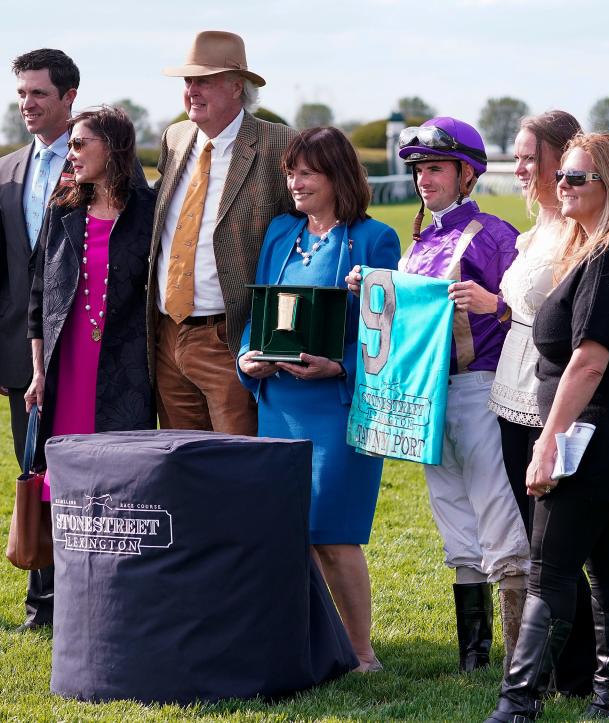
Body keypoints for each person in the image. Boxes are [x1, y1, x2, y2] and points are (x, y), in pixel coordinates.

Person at [485, 133, 609, 722]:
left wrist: (547, 441)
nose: (561, 185)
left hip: (596, 428)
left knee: (551, 564)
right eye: (562, 175)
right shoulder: (605, 250)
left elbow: (589, 360)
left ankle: (518, 706)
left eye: (575, 178)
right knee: (608, 560)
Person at [349, 116, 528, 672]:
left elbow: (530, 311)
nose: (425, 179)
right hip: (427, 392)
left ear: (467, 175)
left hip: (479, 388)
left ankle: (522, 656)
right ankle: (474, 657)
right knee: (451, 512)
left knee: (495, 509)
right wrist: (371, 289)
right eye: (421, 169)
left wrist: (494, 304)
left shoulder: (496, 234)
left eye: (437, 169)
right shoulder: (420, 240)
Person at [238, 128, 401, 672]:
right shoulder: (281, 232)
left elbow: (388, 335)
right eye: (291, 172)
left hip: (338, 407)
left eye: (307, 172)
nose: (295, 182)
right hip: (278, 404)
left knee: (333, 533)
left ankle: (361, 653)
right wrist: (247, 358)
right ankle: (309, 644)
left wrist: (341, 367)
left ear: (338, 177)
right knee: (289, 534)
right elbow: (261, 310)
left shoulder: (374, 239)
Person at [483, 110, 597, 688]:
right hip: (508, 393)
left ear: (563, 157)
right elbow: (523, 309)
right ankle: (558, 665)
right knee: (536, 537)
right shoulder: (534, 233)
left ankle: (575, 671)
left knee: (557, 542)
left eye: (531, 156)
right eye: (518, 156)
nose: (520, 167)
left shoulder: (581, 234)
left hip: (548, 397)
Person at [147, 30, 295, 435]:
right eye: (187, 81)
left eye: (204, 80)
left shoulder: (277, 143)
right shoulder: (174, 138)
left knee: (236, 465)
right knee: (182, 464)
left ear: (236, 86)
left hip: (229, 337)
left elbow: (305, 235)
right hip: (166, 333)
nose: (191, 90)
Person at [0, 47, 78, 632]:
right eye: (22, 93)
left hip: (88, 348)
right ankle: (41, 605)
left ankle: (86, 594)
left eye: (38, 93)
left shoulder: (103, 157)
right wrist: (2, 350)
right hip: (23, 353)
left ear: (69, 96)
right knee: (33, 471)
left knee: (84, 475)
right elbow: (2, 271)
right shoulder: (5, 169)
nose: (27, 104)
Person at [25, 106, 155, 493]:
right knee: (65, 481)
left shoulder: (151, 211)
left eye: (80, 143)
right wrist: (38, 371)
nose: (71, 153)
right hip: (65, 362)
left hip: (128, 366)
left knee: (122, 481)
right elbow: (38, 297)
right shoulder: (61, 207)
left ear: (113, 147)